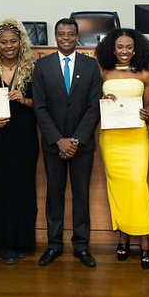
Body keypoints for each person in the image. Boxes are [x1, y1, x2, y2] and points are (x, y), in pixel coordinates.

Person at [33, 18, 102, 268]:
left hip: (82, 145)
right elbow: (39, 108)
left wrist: (75, 140)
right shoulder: (42, 66)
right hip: (53, 145)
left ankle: (81, 246)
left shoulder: (91, 65)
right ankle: (54, 245)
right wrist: (58, 140)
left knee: (81, 195)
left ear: (77, 36)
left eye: (70, 34)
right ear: (55, 36)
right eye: (61, 33)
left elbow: (95, 106)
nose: (65, 37)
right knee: (54, 194)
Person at [95, 28, 149, 269]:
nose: (124, 51)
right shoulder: (103, 73)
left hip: (136, 138)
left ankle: (144, 240)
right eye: (120, 47)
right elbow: (92, 103)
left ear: (136, 49)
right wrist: (102, 101)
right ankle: (122, 237)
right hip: (111, 139)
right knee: (117, 188)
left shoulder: (144, 74)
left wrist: (148, 112)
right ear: (112, 48)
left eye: (129, 47)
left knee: (137, 185)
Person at [0, 20, 39, 265]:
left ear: (21, 43)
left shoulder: (33, 69)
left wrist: (24, 100)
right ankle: (4, 243)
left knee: (23, 190)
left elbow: (45, 104)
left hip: (24, 138)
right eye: (3, 42)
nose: (9, 46)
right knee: (0, 190)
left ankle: (22, 241)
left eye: (13, 41)